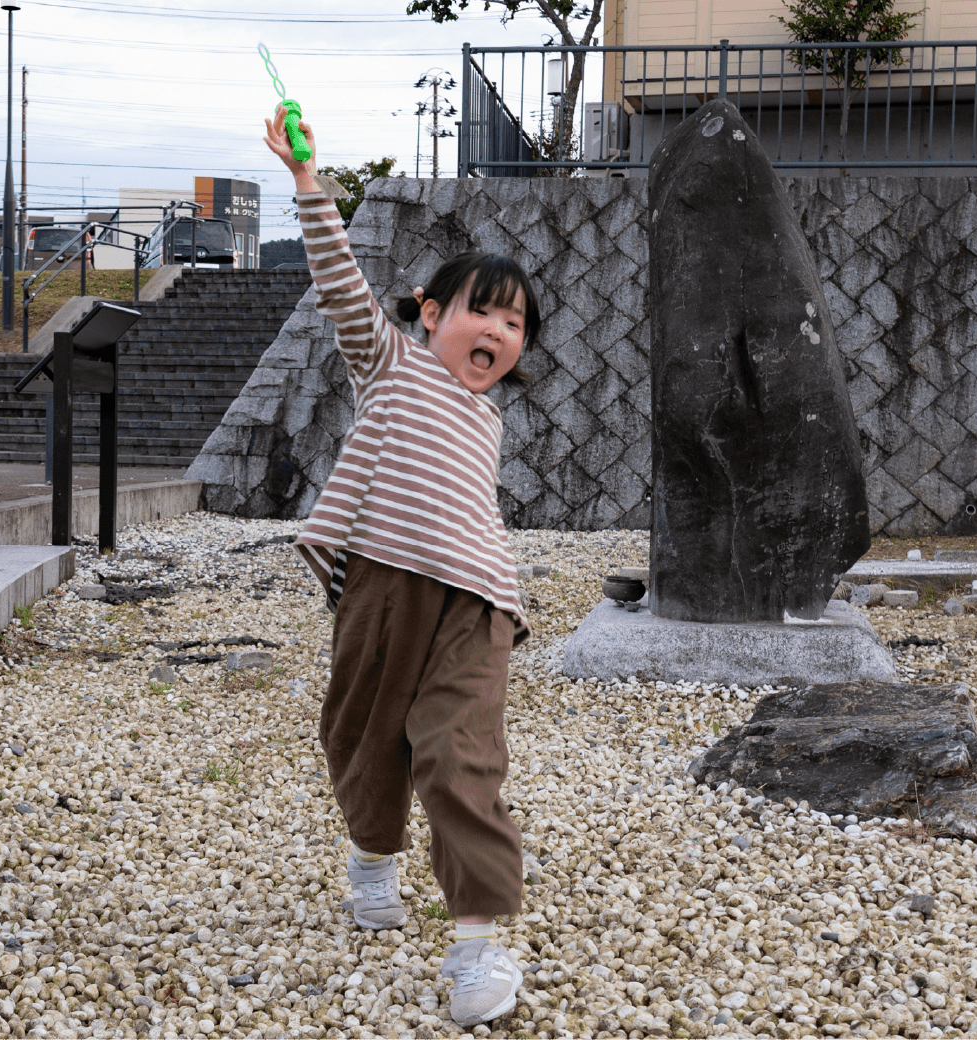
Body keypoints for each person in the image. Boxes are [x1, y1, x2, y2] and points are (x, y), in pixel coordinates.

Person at [264, 105, 543, 1028]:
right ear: (430, 316)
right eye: (482, 310)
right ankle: (372, 854)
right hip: (382, 587)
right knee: (362, 739)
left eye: (515, 324)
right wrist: (310, 186)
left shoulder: (489, 415)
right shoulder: (391, 366)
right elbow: (343, 285)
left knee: (461, 757)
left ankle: (479, 948)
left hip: (477, 604)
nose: (498, 332)